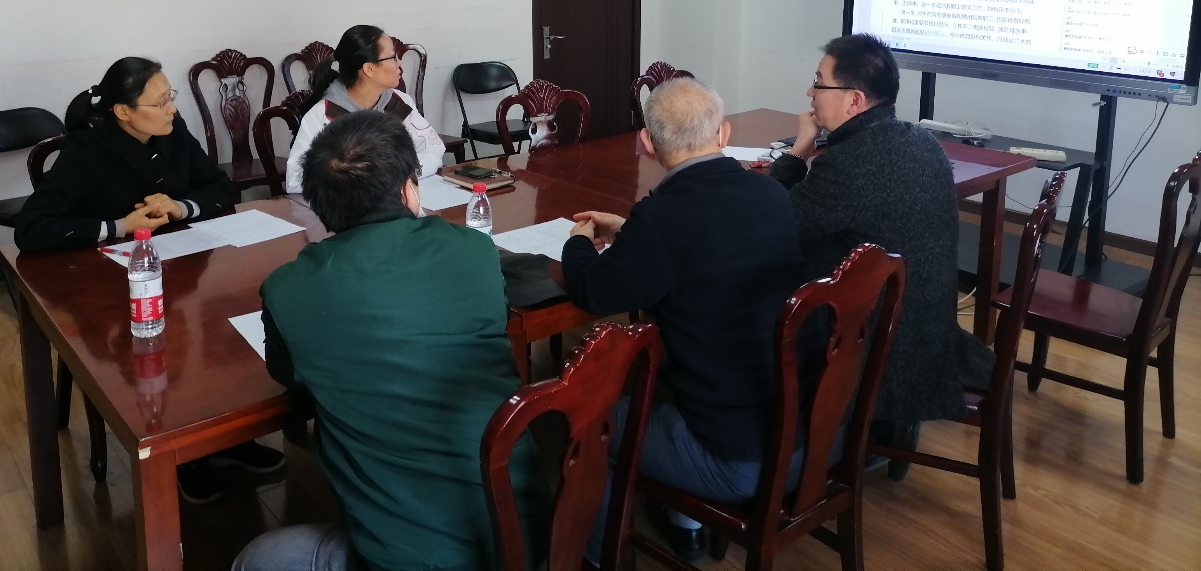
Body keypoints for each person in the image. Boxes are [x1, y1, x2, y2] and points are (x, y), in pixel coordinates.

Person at [236, 111, 548, 571]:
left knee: (258, 558)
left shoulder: (288, 287)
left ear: (319, 207)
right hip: (524, 537)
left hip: (408, 557)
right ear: (408, 189)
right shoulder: (474, 249)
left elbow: (291, 378)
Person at [552, 78, 810, 565]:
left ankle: (592, 558)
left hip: (737, 459)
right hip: (809, 434)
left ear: (647, 143)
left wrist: (579, 241)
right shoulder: (771, 193)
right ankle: (685, 525)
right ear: (724, 133)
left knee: (592, 420)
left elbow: (595, 291)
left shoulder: (664, 218)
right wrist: (632, 232)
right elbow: (713, 245)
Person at [15, 57, 282, 503]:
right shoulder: (86, 151)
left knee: (221, 337)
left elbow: (218, 188)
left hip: (181, 272)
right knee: (164, 355)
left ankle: (229, 438)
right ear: (123, 111)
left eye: (170, 97)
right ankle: (185, 455)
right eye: (159, 103)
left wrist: (180, 207)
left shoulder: (173, 134)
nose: (171, 109)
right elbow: (32, 230)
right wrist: (121, 225)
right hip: (110, 290)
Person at [768, 33, 995, 457]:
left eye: (818, 83)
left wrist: (797, 153)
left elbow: (775, 223)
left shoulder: (849, 163)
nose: (809, 93)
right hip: (928, 332)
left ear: (854, 100)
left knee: (761, 285)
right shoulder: (922, 142)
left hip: (879, 349)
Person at [284, 25, 445, 195]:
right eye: (393, 57)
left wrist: (399, 175)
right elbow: (296, 181)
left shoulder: (398, 102)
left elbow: (433, 149)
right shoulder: (323, 115)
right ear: (369, 69)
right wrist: (371, 181)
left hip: (397, 199)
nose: (400, 63)